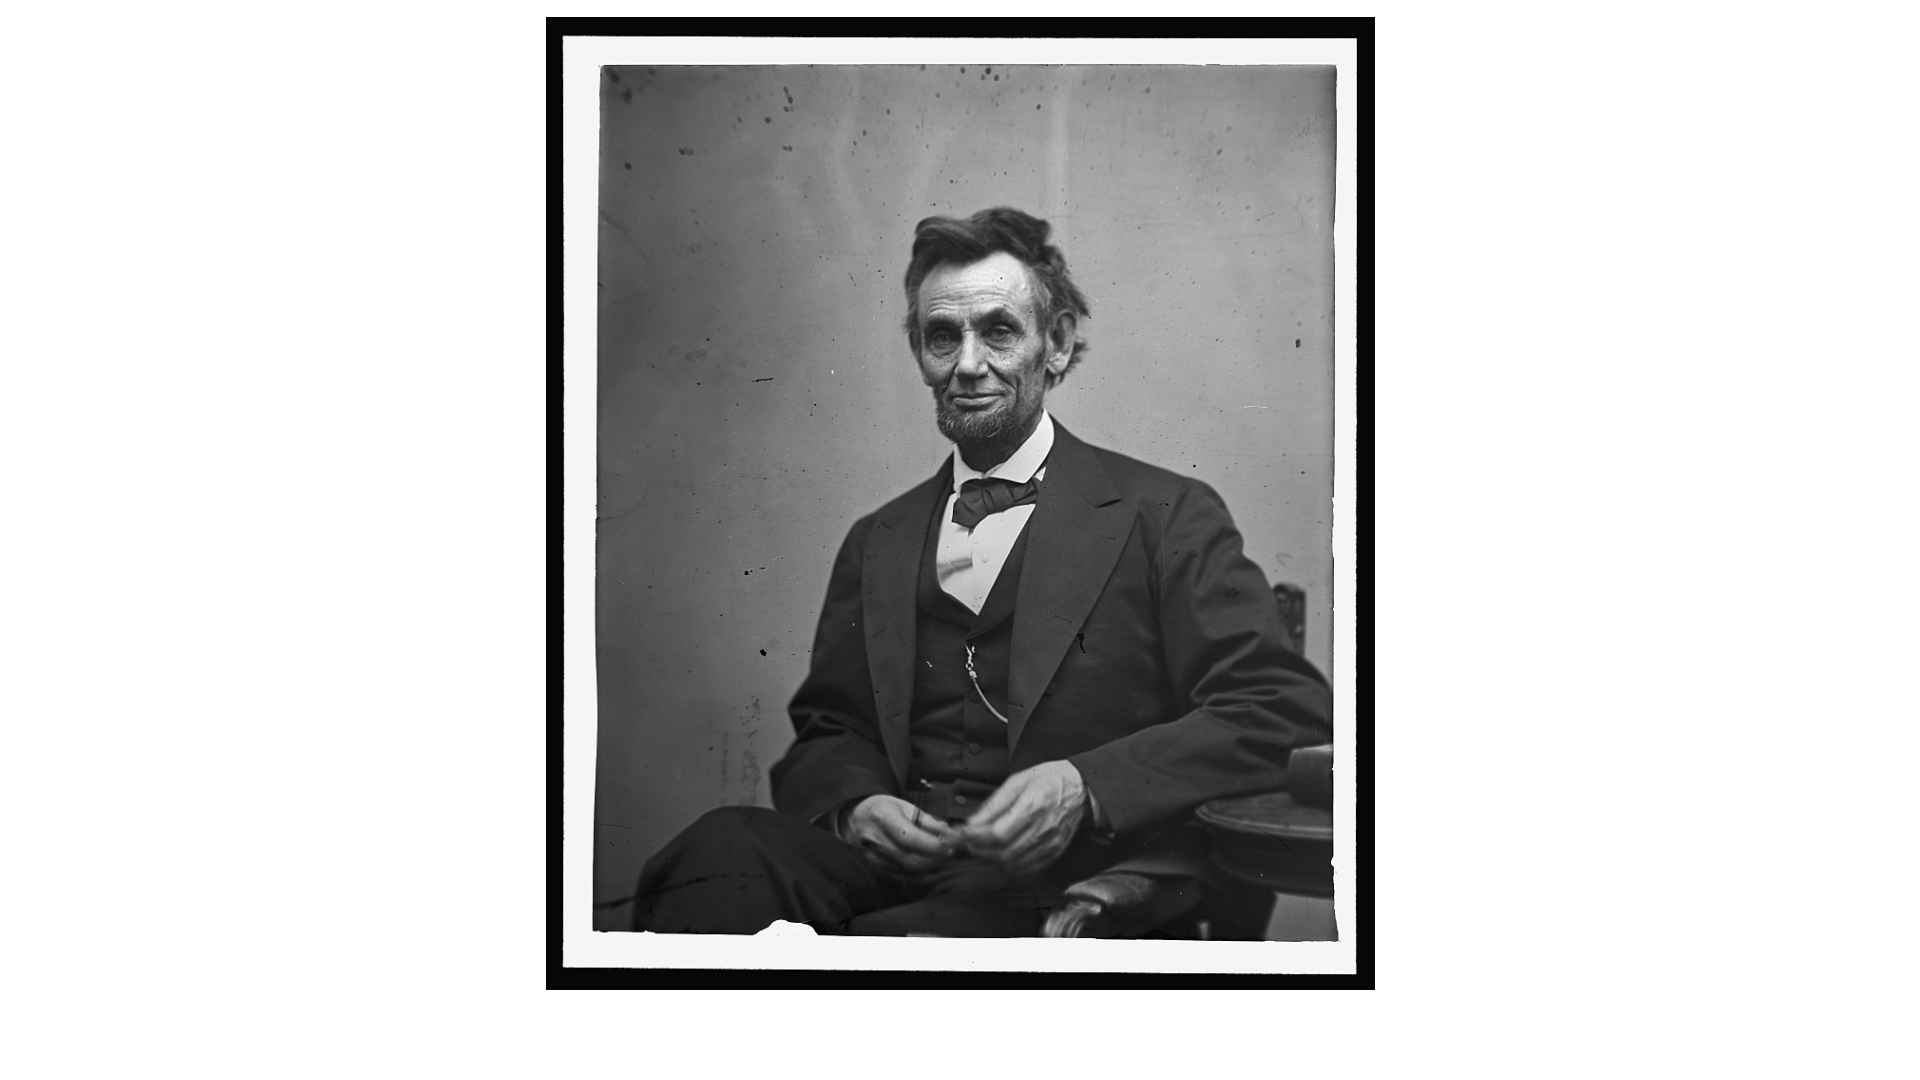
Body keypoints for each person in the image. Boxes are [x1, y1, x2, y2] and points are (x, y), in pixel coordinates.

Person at [631, 206, 1331, 936]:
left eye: (998, 330)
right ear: (920, 355)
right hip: (895, 872)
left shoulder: (1164, 514)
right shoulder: (880, 538)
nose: (968, 365)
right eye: (943, 337)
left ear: (1055, 345)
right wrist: (855, 807)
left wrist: (1086, 786)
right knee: (722, 853)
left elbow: (1281, 710)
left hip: (1066, 883)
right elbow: (831, 726)